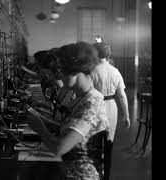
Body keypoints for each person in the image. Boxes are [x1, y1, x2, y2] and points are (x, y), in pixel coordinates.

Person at [26, 42, 110, 180]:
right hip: (67, 171)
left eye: (63, 72)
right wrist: (39, 118)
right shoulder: (81, 99)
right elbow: (65, 127)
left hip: (79, 176)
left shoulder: (92, 104)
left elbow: (60, 148)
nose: (59, 76)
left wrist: (40, 128)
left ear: (76, 71)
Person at [91, 42, 131, 180]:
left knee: (94, 145)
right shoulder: (115, 71)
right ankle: (106, 176)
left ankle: (94, 175)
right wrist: (127, 115)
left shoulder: (91, 71)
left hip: (95, 106)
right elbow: (122, 96)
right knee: (108, 144)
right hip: (111, 107)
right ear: (108, 54)